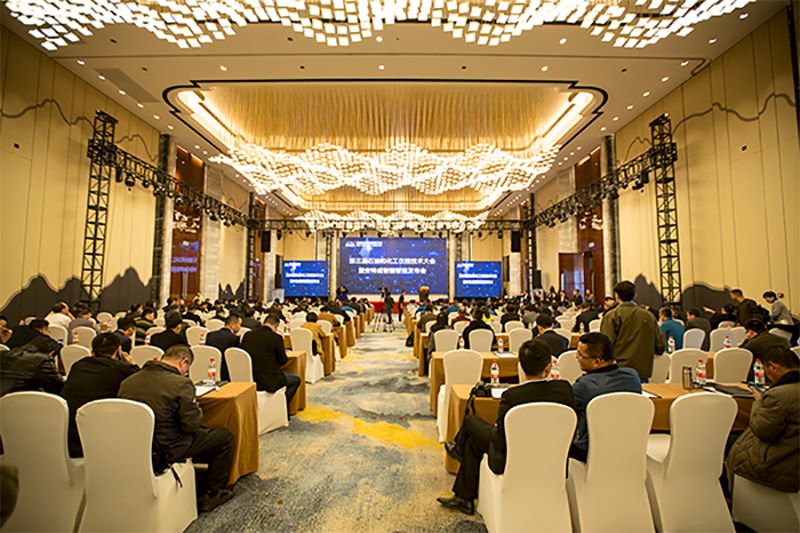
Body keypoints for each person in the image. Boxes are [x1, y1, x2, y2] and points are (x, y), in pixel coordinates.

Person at [437, 338, 575, 515]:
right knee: (473, 442)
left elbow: (500, 441)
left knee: (471, 423)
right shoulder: (564, 389)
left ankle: (459, 454)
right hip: (555, 458)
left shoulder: (512, 396)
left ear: (521, 366)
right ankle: (463, 496)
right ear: (548, 367)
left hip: (512, 460)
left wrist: (493, 429)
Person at [118, 345, 236, 512]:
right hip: (169, 448)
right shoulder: (181, 383)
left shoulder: (128, 382)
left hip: (137, 446)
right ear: (183, 362)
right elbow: (191, 425)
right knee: (224, 437)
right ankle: (213, 493)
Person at [727, 346, 799, 493]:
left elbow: (762, 431)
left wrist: (759, 402)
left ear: (773, 367)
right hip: (792, 453)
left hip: (779, 463)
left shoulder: (779, 395)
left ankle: (728, 492)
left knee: (726, 440)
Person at [61, 333, 139, 457]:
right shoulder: (124, 369)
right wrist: (132, 364)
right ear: (118, 350)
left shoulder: (78, 365)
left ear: (92, 351)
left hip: (68, 434)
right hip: (101, 437)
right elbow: (139, 383)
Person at [569, 332, 642, 461]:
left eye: (580, 355)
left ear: (597, 361)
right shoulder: (633, 376)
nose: (578, 359)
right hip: (629, 447)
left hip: (590, 451)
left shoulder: (585, 385)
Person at [600, 281, 666, 382]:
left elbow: (605, 345)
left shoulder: (612, 315)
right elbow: (660, 346)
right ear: (635, 295)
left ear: (616, 296)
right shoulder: (648, 316)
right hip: (642, 371)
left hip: (618, 371)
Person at [240, 314, 301, 409]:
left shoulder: (248, 335)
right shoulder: (276, 338)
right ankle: (282, 408)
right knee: (296, 380)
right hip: (268, 381)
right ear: (276, 325)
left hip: (249, 377)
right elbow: (283, 361)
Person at [205, 315, 242, 381]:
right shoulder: (234, 338)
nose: (240, 327)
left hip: (210, 368)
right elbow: (237, 356)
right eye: (239, 324)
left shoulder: (210, 335)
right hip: (225, 373)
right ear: (233, 324)